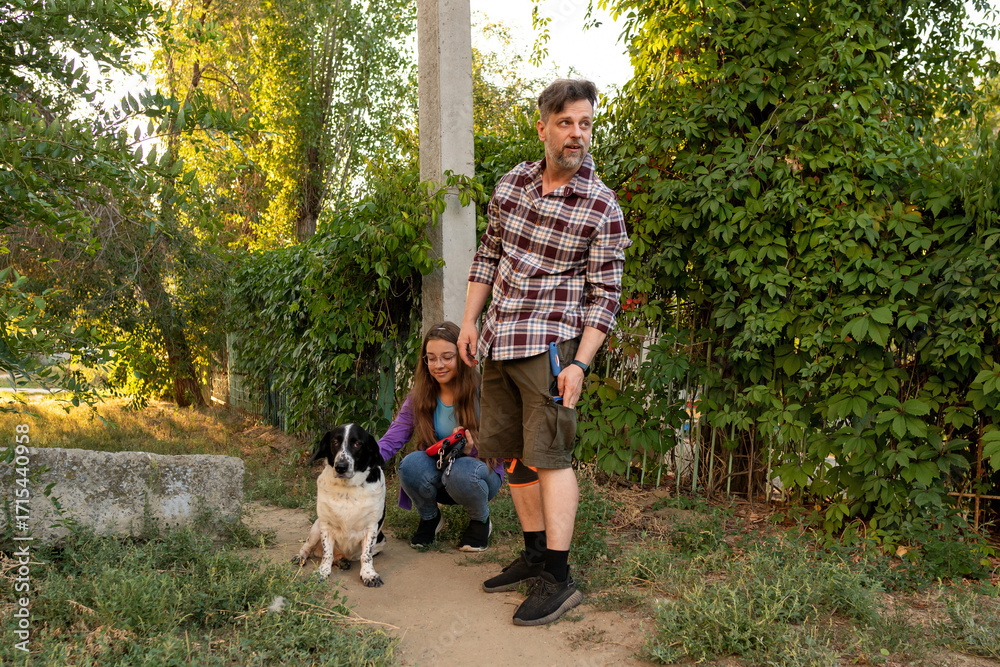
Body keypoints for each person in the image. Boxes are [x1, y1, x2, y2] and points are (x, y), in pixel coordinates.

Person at [458, 78, 631, 626]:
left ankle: (559, 577)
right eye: (565, 123)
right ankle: (534, 555)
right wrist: (468, 320)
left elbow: (607, 295)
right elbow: (489, 255)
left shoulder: (601, 206)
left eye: (584, 123)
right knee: (513, 455)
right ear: (543, 128)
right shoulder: (512, 183)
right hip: (499, 340)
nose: (576, 134)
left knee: (551, 457)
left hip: (551, 347)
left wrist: (580, 362)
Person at [378, 321, 503, 552]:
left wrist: (471, 450)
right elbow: (393, 438)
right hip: (440, 473)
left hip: (479, 476)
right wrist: (364, 457)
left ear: (462, 356)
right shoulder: (420, 396)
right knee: (410, 465)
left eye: (447, 357)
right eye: (431, 358)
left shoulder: (483, 391)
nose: (439, 365)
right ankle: (430, 518)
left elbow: (502, 444)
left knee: (461, 469)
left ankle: (481, 521)